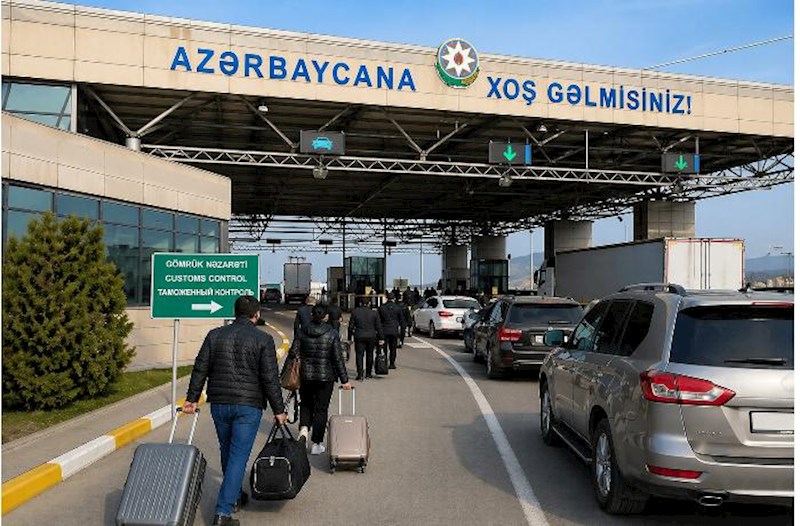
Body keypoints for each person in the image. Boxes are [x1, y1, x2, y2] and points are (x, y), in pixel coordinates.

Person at [184, 295, 286, 526]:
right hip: (248, 406)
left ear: (235, 312)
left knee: (228, 451)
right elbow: (270, 378)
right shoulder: (263, 339)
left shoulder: (215, 335)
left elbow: (201, 367)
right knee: (238, 456)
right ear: (256, 315)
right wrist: (279, 410)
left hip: (220, 403)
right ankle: (223, 512)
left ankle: (236, 495)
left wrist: (192, 398)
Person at [287, 304, 352, 455]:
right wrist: (345, 380)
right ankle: (316, 443)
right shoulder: (332, 333)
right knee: (321, 409)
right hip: (325, 377)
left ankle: (303, 431)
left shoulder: (302, 331)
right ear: (326, 317)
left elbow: (293, 353)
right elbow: (337, 359)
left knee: (306, 405)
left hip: (305, 376)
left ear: (311, 315)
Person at [348, 298, 384, 380]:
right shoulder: (374, 313)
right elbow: (378, 326)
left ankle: (360, 374)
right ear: (369, 303)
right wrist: (381, 338)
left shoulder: (355, 312)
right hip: (371, 336)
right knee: (370, 354)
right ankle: (368, 373)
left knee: (359, 355)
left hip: (359, 335)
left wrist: (349, 338)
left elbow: (351, 326)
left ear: (360, 303)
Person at [378, 293, 405, 369]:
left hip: (384, 330)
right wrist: (402, 335)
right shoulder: (398, 308)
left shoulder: (382, 308)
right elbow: (402, 321)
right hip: (394, 330)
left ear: (387, 298)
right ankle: (392, 363)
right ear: (394, 298)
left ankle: (385, 362)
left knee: (384, 348)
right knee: (393, 348)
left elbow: (378, 320)